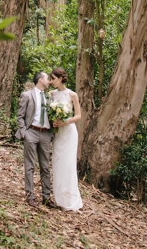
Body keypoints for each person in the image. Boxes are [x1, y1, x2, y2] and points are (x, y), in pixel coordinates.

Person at [15, 72, 57, 208]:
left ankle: (46, 197)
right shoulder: (27, 95)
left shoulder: (50, 97)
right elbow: (20, 116)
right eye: (47, 79)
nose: (49, 81)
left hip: (45, 134)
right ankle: (30, 196)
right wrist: (24, 133)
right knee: (30, 166)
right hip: (31, 132)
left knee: (45, 166)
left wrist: (52, 131)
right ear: (40, 80)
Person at [48, 67, 84, 211]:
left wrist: (65, 121)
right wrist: (53, 121)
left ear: (61, 78)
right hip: (58, 133)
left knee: (68, 164)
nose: (51, 82)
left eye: (53, 79)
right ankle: (58, 197)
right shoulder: (51, 94)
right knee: (57, 164)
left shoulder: (72, 94)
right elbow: (49, 113)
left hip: (69, 133)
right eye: (50, 79)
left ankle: (70, 198)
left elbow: (78, 115)